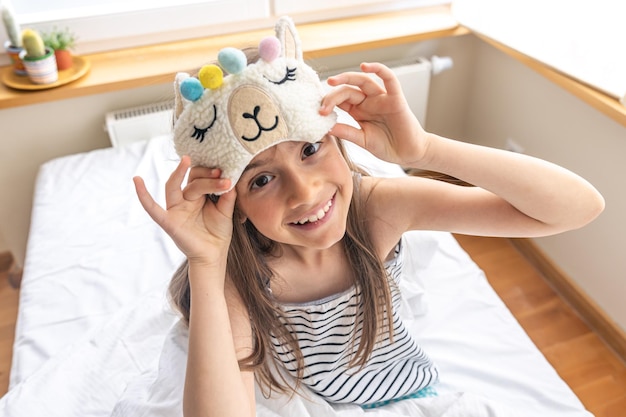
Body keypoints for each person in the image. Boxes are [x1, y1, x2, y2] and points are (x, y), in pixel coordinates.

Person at [132, 17, 604, 417]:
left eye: (311, 150)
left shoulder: (376, 209)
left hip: (409, 393)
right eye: (260, 180)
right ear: (230, 204)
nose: (306, 191)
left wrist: (426, 149)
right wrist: (206, 263)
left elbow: (578, 208)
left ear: (335, 139)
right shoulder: (240, 276)